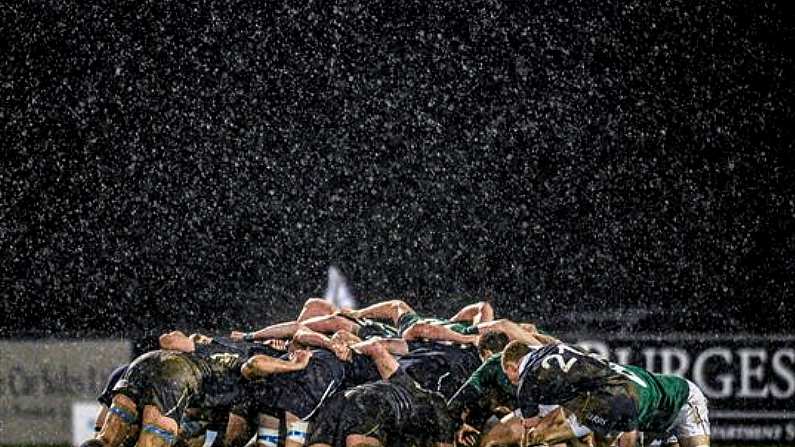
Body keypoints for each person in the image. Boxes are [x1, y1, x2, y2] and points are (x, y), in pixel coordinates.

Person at [501, 341, 710, 447]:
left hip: (681, 400)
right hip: (649, 413)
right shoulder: (565, 356)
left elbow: (626, 432)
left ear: (512, 367)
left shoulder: (609, 402)